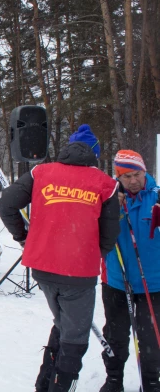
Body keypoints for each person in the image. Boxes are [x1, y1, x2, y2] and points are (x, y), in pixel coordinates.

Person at [0, 125, 120, 392]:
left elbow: (5, 204)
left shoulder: (42, 171)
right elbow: (110, 233)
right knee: (75, 339)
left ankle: (44, 384)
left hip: (43, 268)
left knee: (63, 326)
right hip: (78, 274)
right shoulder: (106, 184)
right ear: (94, 154)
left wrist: (23, 237)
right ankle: (60, 385)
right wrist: (94, 253)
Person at [99, 150, 160, 392]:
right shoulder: (109, 199)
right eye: (126, 177)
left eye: (137, 174)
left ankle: (151, 381)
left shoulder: (156, 197)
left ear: (145, 171)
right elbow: (93, 231)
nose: (133, 181)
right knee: (115, 336)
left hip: (153, 284)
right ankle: (114, 380)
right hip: (117, 281)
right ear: (118, 178)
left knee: (151, 338)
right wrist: (109, 210)